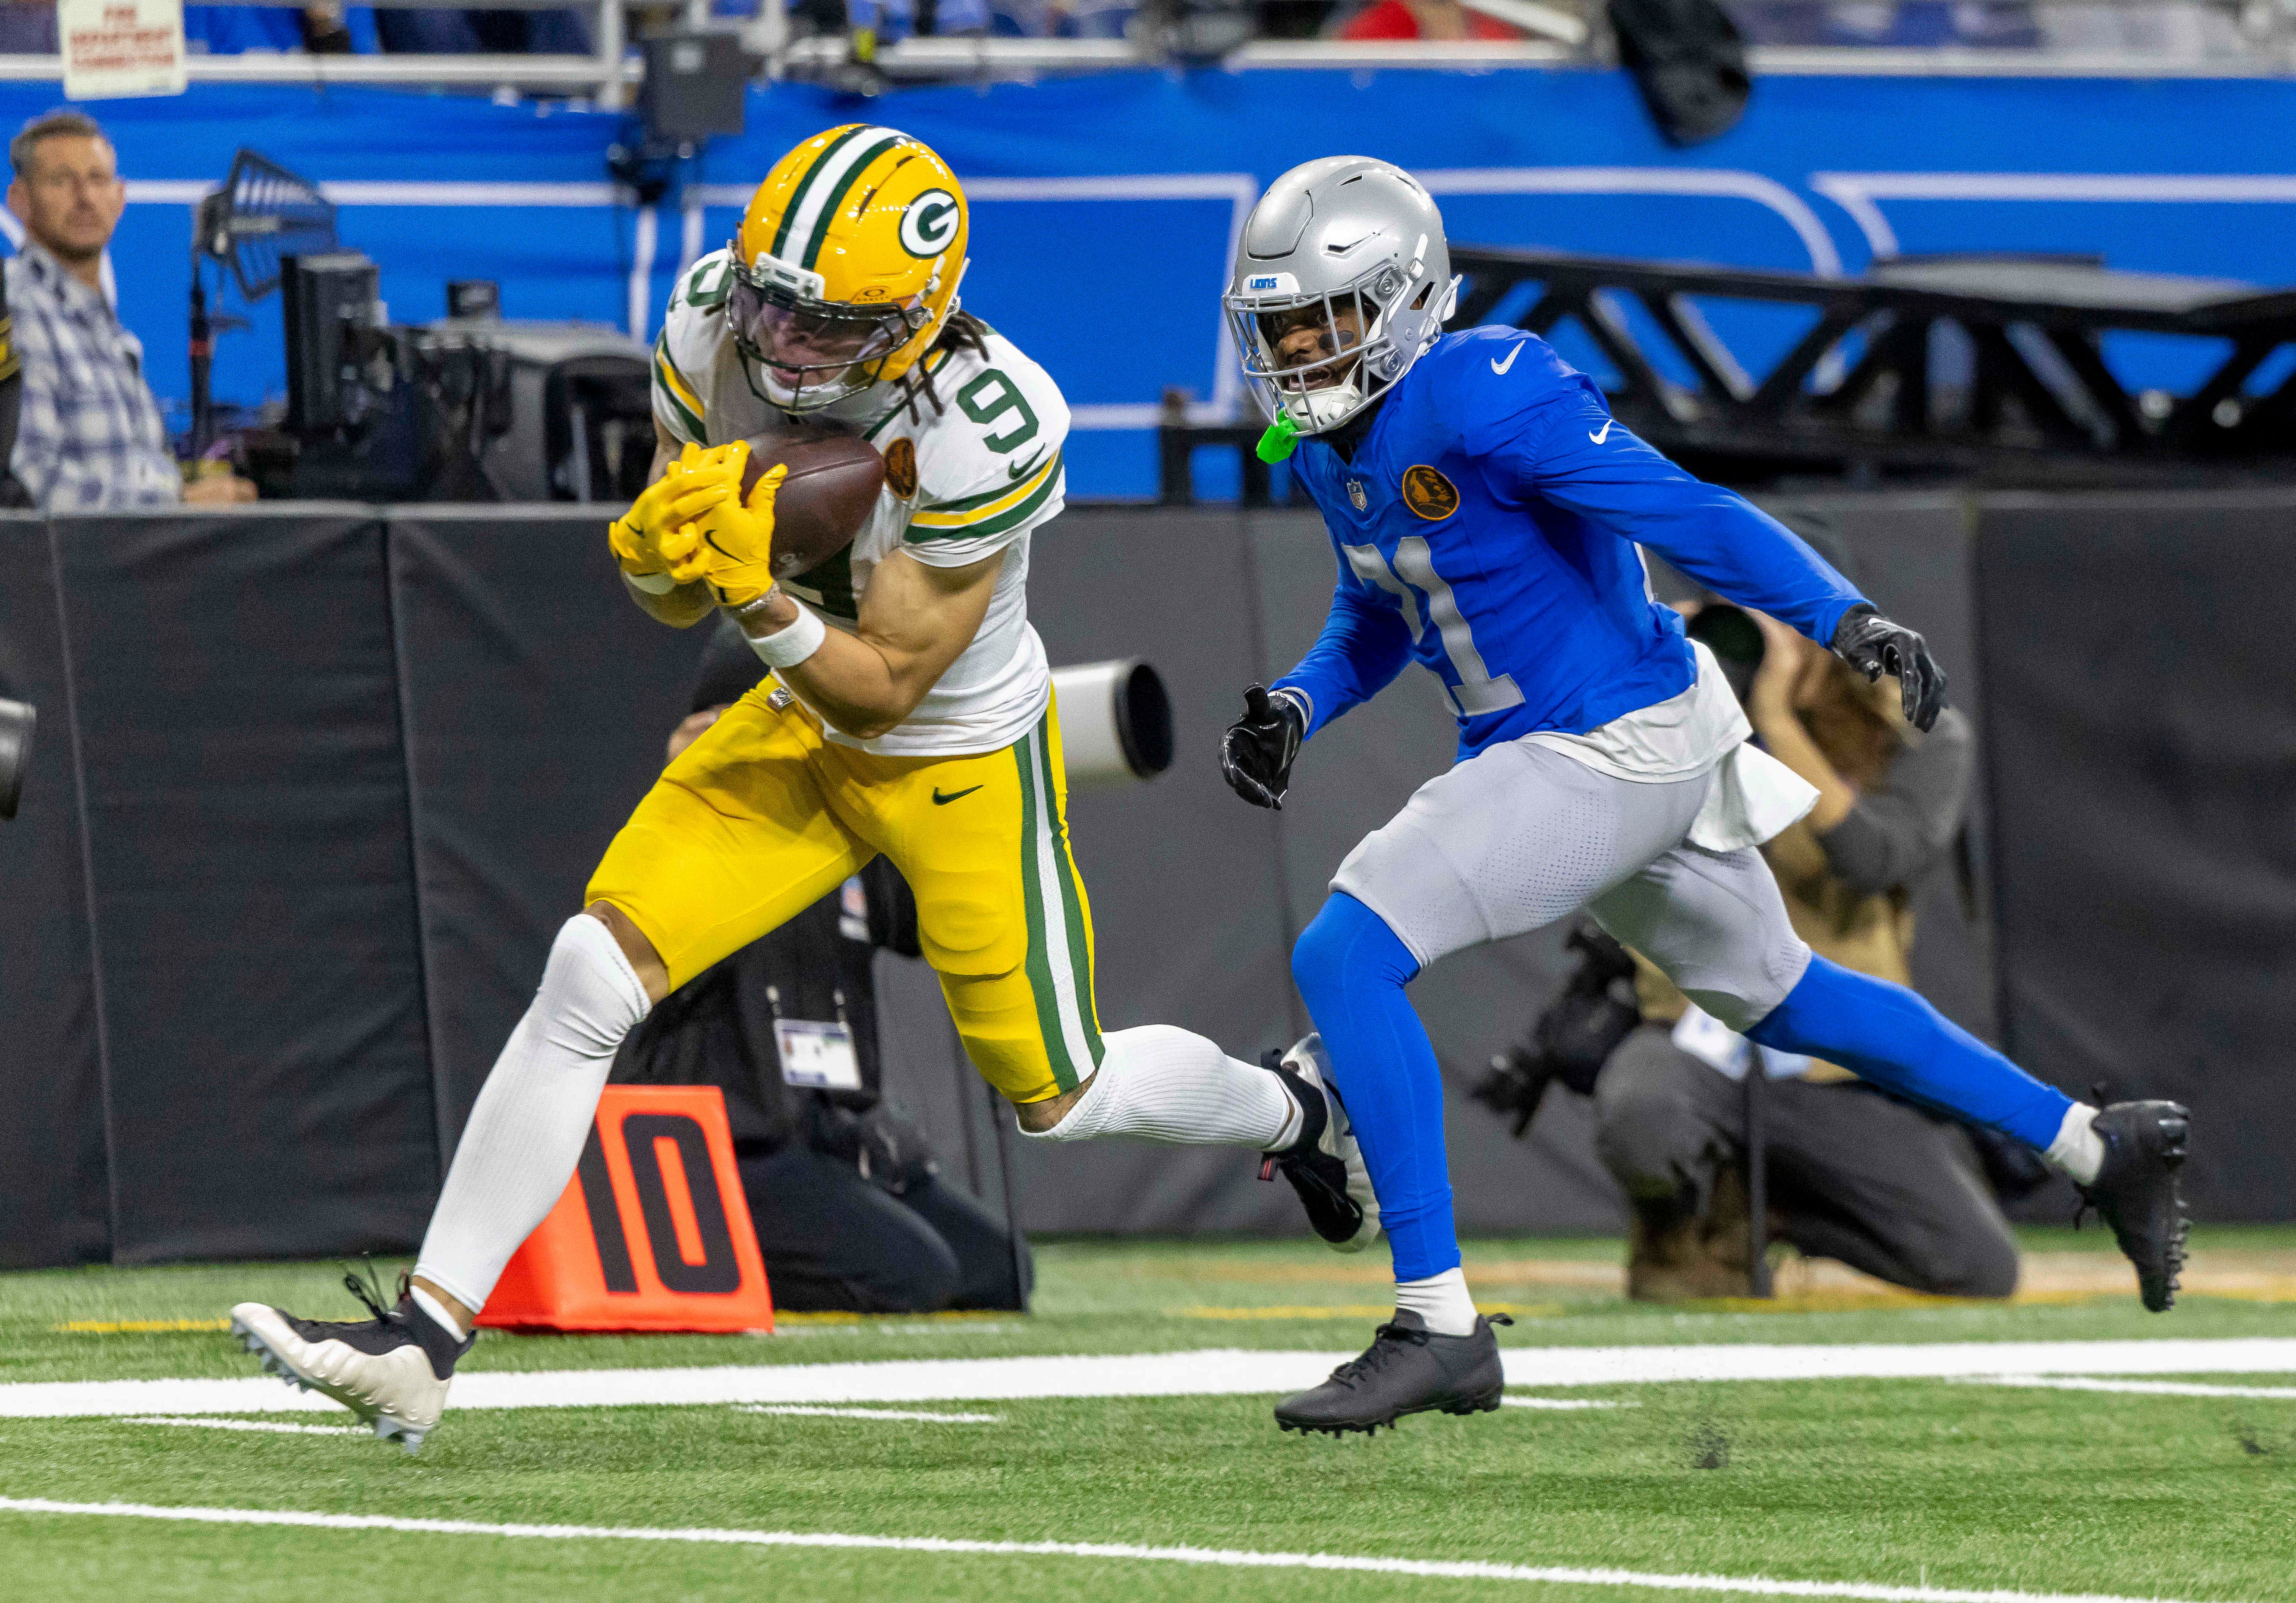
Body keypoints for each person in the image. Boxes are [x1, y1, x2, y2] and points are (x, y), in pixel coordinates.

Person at [228, 124, 1370, 1450]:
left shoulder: (989, 424)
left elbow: (885, 680)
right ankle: (424, 1337)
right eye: (774, 298)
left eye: (830, 326)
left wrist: (752, 588)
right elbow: (667, 583)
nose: (786, 342)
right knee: (590, 970)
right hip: (793, 722)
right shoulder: (711, 316)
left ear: (916, 320)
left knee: (1058, 1092)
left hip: (950, 753)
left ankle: (1296, 1104)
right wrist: (664, 554)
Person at [1214, 155, 2192, 1436]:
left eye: (1322, 319)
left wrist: (1837, 613)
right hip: (1601, 743)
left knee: (1346, 949)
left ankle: (1437, 1320)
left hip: (1608, 738)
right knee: (1790, 997)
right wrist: (1298, 700)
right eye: (1279, 325)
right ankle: (2093, 1143)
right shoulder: (1331, 445)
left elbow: (1683, 508)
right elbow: (1383, 605)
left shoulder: (1486, 391)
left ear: (1403, 301)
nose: (1297, 349)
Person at [1591, 577, 2026, 1301]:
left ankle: (1785, 1210)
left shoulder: (1912, 727)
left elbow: (1873, 860)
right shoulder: (1673, 705)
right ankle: (1695, 1217)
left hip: (1832, 1055)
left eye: (1788, 619)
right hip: (1695, 1033)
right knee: (1645, 1118)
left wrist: (1776, 717)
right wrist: (1658, 673)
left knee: (1978, 1266)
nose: (1768, 640)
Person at [617, 618, 1030, 1314]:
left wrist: (956, 797)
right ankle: (703, 1261)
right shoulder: (701, 826)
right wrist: (709, 766)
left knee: (999, 1273)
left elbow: (930, 923)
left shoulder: (845, 825)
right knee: (911, 1276)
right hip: (733, 1141)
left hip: (831, 1131)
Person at [4, 110, 253, 508]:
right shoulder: (15, 307)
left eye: (97, 180)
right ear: (20, 200)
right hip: (78, 563)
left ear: (120, 199)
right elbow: (30, 479)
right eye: (61, 181)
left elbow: (136, 465)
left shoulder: (109, 329)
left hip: (135, 557)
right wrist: (180, 503)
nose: (85, 198)